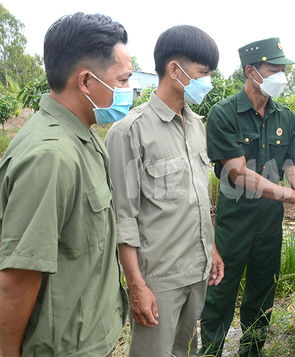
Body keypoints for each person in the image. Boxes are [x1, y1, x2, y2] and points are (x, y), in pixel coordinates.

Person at [0, 12, 131, 356]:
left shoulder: (84, 137)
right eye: (123, 81)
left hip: (87, 334)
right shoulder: (52, 157)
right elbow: (18, 277)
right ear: (86, 81)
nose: (128, 92)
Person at [199, 37, 295, 357]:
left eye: (282, 70)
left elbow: (294, 168)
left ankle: (252, 352)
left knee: (262, 295)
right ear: (251, 71)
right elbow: (239, 174)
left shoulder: (285, 117)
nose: (281, 77)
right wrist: (294, 195)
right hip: (234, 223)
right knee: (220, 294)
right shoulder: (224, 113)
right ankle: (211, 352)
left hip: (269, 225)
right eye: (274, 70)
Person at [105, 25, 223, 357]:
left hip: (195, 271)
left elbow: (196, 198)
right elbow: (122, 218)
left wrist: (210, 249)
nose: (207, 83)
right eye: (203, 74)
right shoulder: (129, 132)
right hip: (158, 279)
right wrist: (137, 285)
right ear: (174, 70)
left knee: (184, 351)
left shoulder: (196, 125)